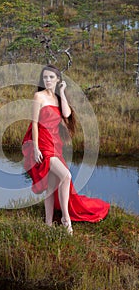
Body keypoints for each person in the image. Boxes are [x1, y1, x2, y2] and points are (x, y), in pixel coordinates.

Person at [22, 64, 110, 235]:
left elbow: (67, 114)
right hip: (43, 143)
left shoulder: (56, 97)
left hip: (56, 143)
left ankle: (48, 223)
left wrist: (62, 92)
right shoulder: (38, 96)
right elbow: (33, 123)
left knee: (52, 184)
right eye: (45, 77)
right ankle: (65, 218)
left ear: (57, 80)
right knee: (66, 176)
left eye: (51, 77)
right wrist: (36, 148)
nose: (47, 80)